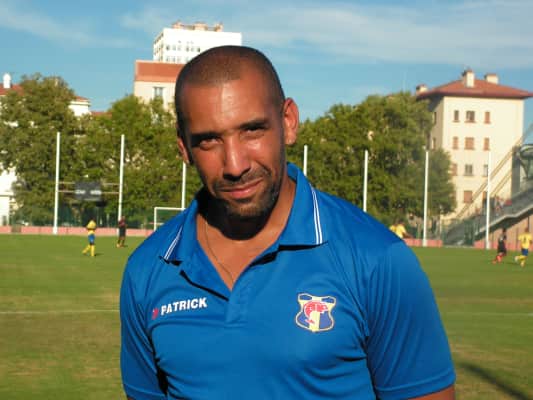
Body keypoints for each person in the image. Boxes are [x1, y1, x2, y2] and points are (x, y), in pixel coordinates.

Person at [120, 45, 455, 399]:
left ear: (289, 122)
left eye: (252, 130)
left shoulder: (377, 259)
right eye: (209, 140)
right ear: (184, 147)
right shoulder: (147, 270)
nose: (235, 164)